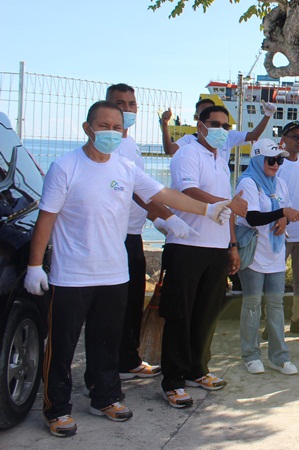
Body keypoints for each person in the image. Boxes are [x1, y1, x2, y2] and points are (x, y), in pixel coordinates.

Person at [25, 101, 233, 437]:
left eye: (117, 127)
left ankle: (105, 398)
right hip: (71, 276)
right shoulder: (65, 167)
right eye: (103, 126)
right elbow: (46, 218)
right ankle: (57, 408)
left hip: (114, 275)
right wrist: (35, 266)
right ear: (87, 128)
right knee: (62, 348)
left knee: (106, 343)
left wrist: (207, 210)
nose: (111, 132)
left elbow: (164, 194)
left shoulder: (125, 168)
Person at [159, 105, 249, 409]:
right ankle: (173, 381)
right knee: (180, 315)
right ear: (200, 126)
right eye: (215, 124)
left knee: (206, 315)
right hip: (187, 246)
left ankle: (197, 370)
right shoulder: (187, 154)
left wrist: (232, 245)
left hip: (217, 249)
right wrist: (227, 203)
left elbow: (228, 211)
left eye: (226, 126)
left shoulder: (220, 160)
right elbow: (188, 191)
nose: (221, 131)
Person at [105, 83, 196, 383]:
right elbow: (136, 192)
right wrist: (166, 216)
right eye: (120, 103)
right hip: (114, 236)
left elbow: (145, 189)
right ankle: (108, 369)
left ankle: (128, 360)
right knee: (114, 306)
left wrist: (156, 217)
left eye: (131, 104)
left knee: (132, 302)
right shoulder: (110, 147)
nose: (126, 109)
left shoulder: (131, 144)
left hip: (133, 233)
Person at [236, 139, 299, 375]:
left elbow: (284, 212)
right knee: (252, 305)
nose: (276, 164)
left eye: (279, 160)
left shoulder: (281, 184)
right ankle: (250, 355)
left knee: (276, 306)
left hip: (275, 254)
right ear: (258, 160)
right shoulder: (248, 183)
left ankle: (279, 357)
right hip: (254, 254)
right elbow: (252, 217)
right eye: (271, 160)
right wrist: (282, 212)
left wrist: (284, 218)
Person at [277, 121, 299, 337]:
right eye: (295, 137)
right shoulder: (276, 163)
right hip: (279, 231)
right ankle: (272, 322)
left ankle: (298, 318)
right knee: (275, 279)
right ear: (284, 139)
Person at [159, 98, 275, 157]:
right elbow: (170, 150)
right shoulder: (190, 140)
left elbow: (253, 135)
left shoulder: (228, 136)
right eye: (214, 124)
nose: (220, 128)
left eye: (224, 126)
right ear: (198, 120)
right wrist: (165, 125)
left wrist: (267, 115)